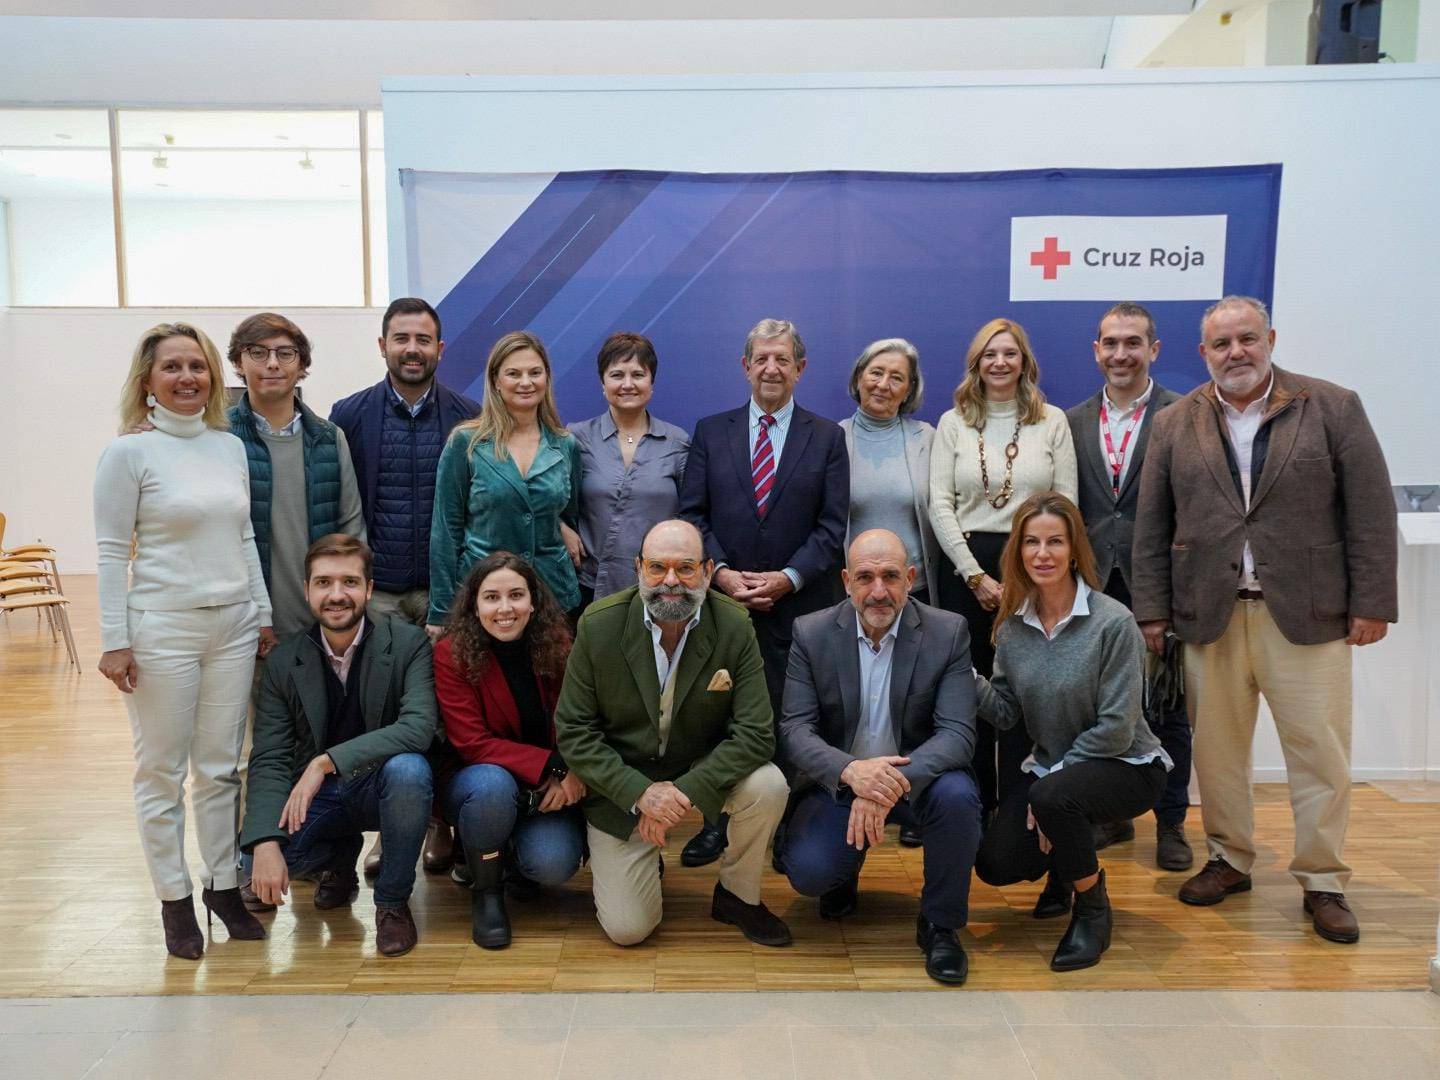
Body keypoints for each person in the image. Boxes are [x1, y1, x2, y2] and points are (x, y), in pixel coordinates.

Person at [1132, 296, 1397, 944]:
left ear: (1270, 338)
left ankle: (1324, 879)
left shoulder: (1331, 406)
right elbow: (1152, 526)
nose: (1236, 353)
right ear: (1204, 354)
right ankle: (1229, 859)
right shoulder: (1174, 422)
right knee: (1218, 754)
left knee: (1320, 753)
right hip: (1210, 615)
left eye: (1247, 339)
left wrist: (1373, 603)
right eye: (1221, 344)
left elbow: (1370, 512)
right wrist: (1153, 612)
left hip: (1308, 614)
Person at [94, 322, 272, 959]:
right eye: (172, 367)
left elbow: (245, 538)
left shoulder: (227, 448)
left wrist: (263, 611)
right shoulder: (128, 454)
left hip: (232, 625)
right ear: (147, 382)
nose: (188, 377)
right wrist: (115, 640)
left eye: (197, 366)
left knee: (221, 768)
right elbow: (113, 553)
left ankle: (222, 885)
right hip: (162, 627)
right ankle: (174, 902)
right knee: (162, 772)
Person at [554, 519, 791, 948]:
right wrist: (641, 794)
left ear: (707, 570)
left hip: (697, 764)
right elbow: (574, 731)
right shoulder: (598, 625)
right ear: (638, 568)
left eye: (685, 568)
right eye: (657, 567)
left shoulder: (735, 625)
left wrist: (678, 794)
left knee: (768, 784)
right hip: (623, 782)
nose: (670, 581)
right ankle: (644, 861)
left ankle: (738, 895)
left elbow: (756, 733)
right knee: (628, 931)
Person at [973, 492, 1169, 973]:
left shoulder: (1113, 622)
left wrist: (1048, 785)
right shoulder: (1012, 628)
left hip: (1127, 766)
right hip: (1054, 779)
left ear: (1075, 548)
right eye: (1031, 542)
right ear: (1017, 551)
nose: (1043, 553)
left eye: (1055, 542)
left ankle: (1092, 908)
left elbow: (1117, 728)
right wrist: (965, 677)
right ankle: (1062, 867)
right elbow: (1005, 713)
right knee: (997, 864)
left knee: (1056, 798)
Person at [678, 318, 849, 866]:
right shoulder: (711, 431)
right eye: (762, 358)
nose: (771, 368)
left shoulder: (827, 437)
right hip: (722, 603)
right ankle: (714, 822)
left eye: (783, 360)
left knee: (791, 716)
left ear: (800, 369)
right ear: (745, 366)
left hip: (797, 606)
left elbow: (832, 525)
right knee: (714, 714)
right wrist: (721, 574)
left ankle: (782, 827)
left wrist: (788, 578)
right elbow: (692, 516)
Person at [779, 529, 981, 985]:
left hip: (921, 778)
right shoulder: (811, 633)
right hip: (842, 780)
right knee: (810, 874)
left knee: (958, 798)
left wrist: (885, 782)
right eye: (865, 577)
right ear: (847, 580)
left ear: (910, 578)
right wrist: (852, 773)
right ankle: (843, 873)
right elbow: (794, 730)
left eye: (891, 576)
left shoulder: (947, 631)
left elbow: (957, 735)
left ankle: (941, 925)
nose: (878, 591)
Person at [329, 297, 478, 881]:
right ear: (383, 346)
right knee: (380, 712)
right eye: (401, 338)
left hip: (449, 593)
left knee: (447, 712)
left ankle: (441, 822)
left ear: (440, 349)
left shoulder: (468, 417)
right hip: (382, 593)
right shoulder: (350, 414)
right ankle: (388, 828)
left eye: (423, 339)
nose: (412, 349)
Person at [241, 535, 438, 957]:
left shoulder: (408, 644)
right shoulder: (284, 660)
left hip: (379, 786)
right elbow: (271, 757)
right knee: (254, 875)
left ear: (368, 589)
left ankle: (391, 903)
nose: (336, 595)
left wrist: (325, 762)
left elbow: (418, 728)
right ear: (307, 590)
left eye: (349, 582)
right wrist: (264, 843)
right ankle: (338, 858)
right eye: (323, 583)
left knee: (411, 770)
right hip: (320, 799)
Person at [928, 317, 1077, 818]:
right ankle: (971, 801)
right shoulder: (953, 422)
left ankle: (1019, 805)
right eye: (990, 354)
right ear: (976, 363)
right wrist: (974, 574)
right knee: (968, 689)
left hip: (1035, 566)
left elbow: (1066, 504)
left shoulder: (1051, 420)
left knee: (1026, 688)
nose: (1000, 362)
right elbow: (939, 504)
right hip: (966, 571)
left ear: (1024, 362)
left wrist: (1035, 571)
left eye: (1010, 353)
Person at [1065, 302, 1192, 872]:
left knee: (1165, 710)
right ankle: (1108, 815)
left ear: (1154, 350)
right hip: (1091, 586)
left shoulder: (1184, 414)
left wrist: (1168, 596)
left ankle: (1171, 825)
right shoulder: (1068, 422)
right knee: (1096, 709)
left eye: (1133, 343)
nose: (1121, 354)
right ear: (1095, 350)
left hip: (1157, 585)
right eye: (1110, 343)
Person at [432, 553, 586, 949]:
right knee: (491, 784)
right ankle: (487, 893)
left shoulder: (559, 643)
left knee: (552, 864)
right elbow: (471, 742)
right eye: (491, 597)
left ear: (533, 602)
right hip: (477, 783)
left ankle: (512, 856)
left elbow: (582, 719)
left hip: (545, 791)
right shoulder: (451, 653)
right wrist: (553, 766)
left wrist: (573, 771)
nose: (505, 609)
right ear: (474, 604)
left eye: (516, 595)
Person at [428, 330, 584, 633]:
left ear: (547, 378)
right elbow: (445, 531)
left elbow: (568, 514)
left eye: (534, 373)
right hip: (483, 600)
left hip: (552, 598)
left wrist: (561, 526)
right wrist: (440, 612)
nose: (525, 382)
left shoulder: (566, 445)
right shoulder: (467, 443)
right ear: (496, 381)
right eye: (513, 373)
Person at [226, 312, 366, 641]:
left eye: (285, 353)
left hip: (319, 626)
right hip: (244, 626)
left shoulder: (330, 439)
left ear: (301, 366)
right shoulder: (219, 437)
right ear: (237, 363)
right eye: (257, 352)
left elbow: (352, 526)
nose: (272, 363)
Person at [571, 332, 690, 606]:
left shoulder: (678, 442)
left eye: (637, 374)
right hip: (588, 587)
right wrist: (561, 528)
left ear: (652, 383)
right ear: (603, 383)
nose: (627, 384)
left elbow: (692, 516)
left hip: (661, 588)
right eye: (616, 375)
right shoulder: (575, 438)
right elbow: (552, 499)